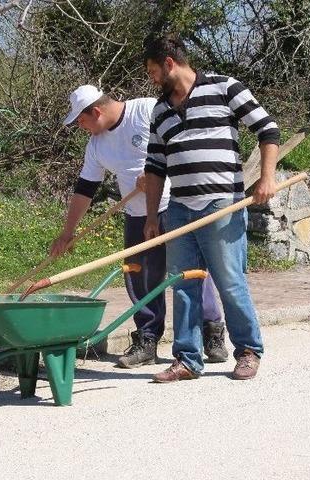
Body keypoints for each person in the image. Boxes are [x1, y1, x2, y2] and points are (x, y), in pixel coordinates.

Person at [51, 84, 229, 368]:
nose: (80, 126)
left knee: (191, 270)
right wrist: (68, 231)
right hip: (136, 214)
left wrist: (160, 172)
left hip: (176, 205)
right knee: (140, 276)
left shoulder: (146, 110)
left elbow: (185, 142)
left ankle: (212, 332)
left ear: (96, 111)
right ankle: (147, 339)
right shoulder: (96, 145)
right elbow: (85, 187)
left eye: (81, 120)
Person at [141, 35, 280, 382]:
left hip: (223, 205)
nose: (153, 79)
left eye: (154, 71)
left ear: (170, 63)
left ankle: (248, 351)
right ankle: (187, 360)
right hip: (180, 209)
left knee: (230, 281)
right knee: (183, 284)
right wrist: (150, 218)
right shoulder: (160, 111)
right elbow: (155, 167)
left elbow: (267, 129)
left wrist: (266, 179)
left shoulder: (225, 88)